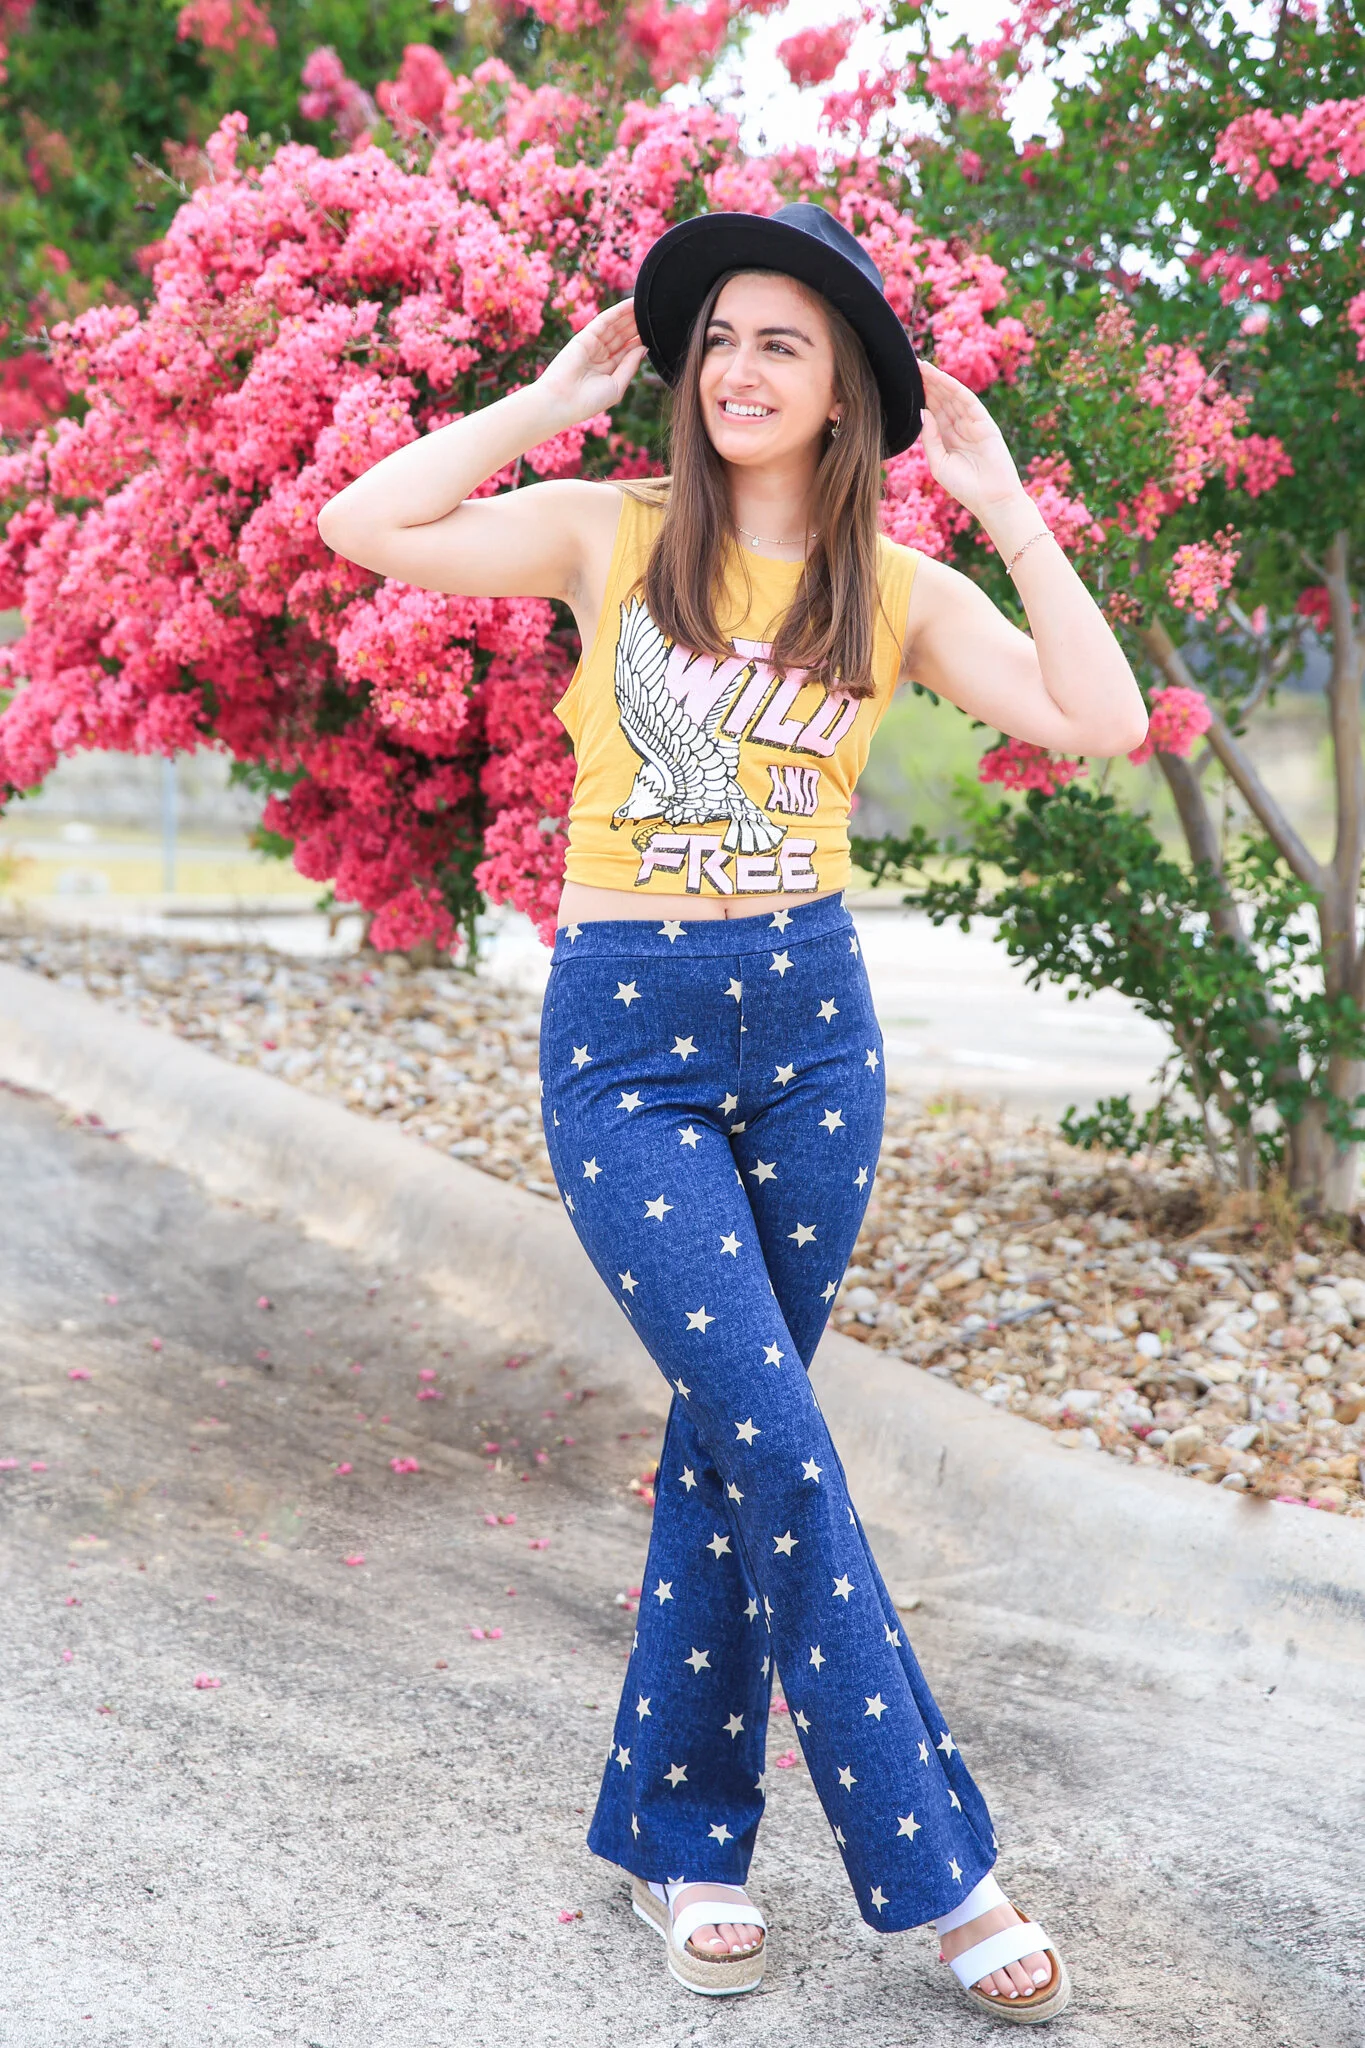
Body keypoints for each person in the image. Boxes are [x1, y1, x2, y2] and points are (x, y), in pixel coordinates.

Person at [318, 202, 1147, 2021]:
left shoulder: (897, 591)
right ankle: (946, 1873)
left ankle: (680, 1847)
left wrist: (1007, 504)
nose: (740, 369)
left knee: (729, 1440)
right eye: (719, 342)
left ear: (847, 391)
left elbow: (1104, 721)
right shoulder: (607, 532)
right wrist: (546, 404)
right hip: (628, 1038)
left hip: (815, 1038)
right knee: (776, 1438)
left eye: (784, 342)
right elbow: (362, 523)